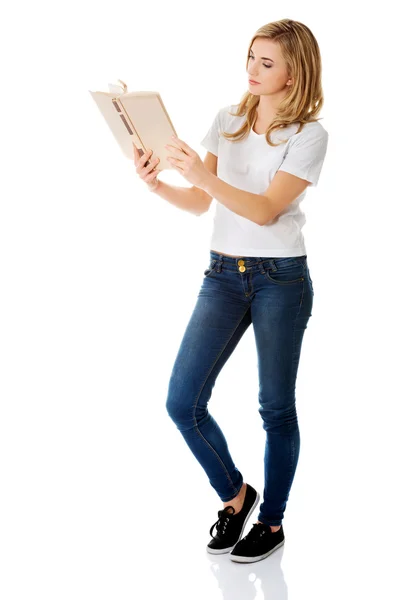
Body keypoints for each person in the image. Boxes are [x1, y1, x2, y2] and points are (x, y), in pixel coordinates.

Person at [133, 18, 329, 564]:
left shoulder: (309, 135)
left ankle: (271, 522)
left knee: (275, 407)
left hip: (280, 279)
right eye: (250, 58)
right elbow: (201, 204)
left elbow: (266, 210)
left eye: (267, 63)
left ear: (295, 74)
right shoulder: (227, 119)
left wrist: (203, 177)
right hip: (223, 273)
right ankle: (236, 495)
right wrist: (158, 184)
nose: (252, 71)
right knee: (182, 401)